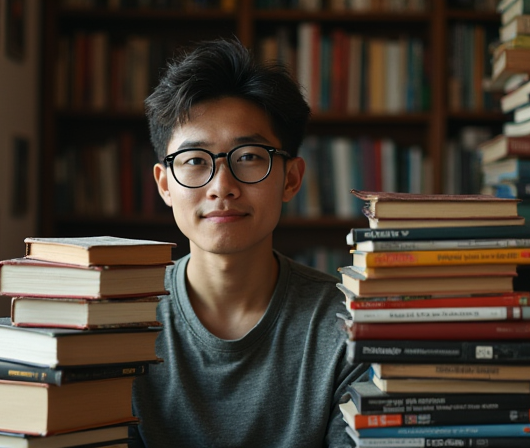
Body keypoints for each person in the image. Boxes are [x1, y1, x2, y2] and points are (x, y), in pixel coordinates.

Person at [131, 37, 368, 448]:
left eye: (249, 157)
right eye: (194, 161)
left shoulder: (347, 326)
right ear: (165, 184)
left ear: (291, 179)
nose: (222, 187)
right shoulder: (115, 325)